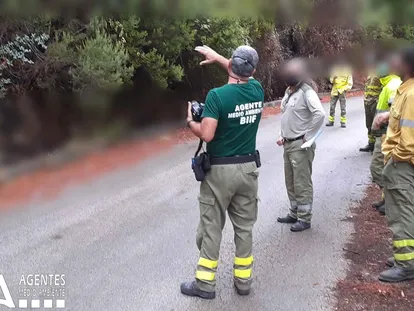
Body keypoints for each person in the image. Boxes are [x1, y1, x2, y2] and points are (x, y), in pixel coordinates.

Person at [181, 45, 264, 298]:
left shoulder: (217, 97)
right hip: (248, 170)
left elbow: (207, 134)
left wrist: (191, 122)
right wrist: (218, 58)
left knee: (211, 226)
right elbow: (239, 69)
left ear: (232, 66)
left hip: (220, 172)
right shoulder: (257, 90)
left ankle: (205, 285)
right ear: (253, 70)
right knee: (244, 228)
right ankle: (243, 282)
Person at [373, 46, 414, 283]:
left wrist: (393, 159)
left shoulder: (410, 94)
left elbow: (409, 142)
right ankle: (405, 257)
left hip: (403, 164)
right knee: (406, 209)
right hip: (402, 162)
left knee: (401, 212)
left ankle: (406, 263)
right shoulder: (404, 90)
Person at [276, 58, 325, 232]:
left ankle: (305, 218)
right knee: (290, 181)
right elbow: (286, 116)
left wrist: (309, 135)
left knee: (302, 182)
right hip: (288, 144)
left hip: (300, 145)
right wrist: (281, 135)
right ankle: (294, 212)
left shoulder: (307, 92)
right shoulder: (289, 92)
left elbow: (319, 114)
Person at [369, 56, 402, 215]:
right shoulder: (387, 84)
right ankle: (386, 199)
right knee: (382, 168)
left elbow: (394, 113)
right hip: (382, 133)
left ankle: (392, 200)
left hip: (387, 134)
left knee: (378, 168)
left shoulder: (393, 85)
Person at [359, 71, 382, 152]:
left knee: (377, 124)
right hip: (368, 101)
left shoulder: (383, 69)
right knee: (369, 124)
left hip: (376, 101)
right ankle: (371, 143)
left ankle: (378, 146)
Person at [326, 62, 353, 128]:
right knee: (332, 106)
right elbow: (331, 80)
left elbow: (350, 83)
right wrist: (333, 77)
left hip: (342, 91)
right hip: (335, 91)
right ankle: (331, 121)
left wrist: (344, 89)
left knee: (343, 107)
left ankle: (343, 122)